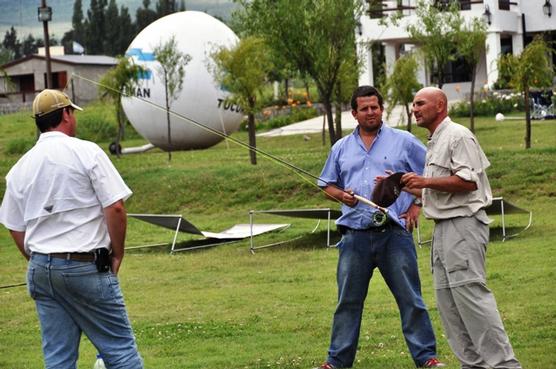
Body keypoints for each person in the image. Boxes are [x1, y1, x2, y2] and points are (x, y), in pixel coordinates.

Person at [0, 89, 143, 369]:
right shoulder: (86, 151)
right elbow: (115, 207)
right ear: (66, 114)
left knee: (58, 360)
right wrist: (117, 254)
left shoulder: (20, 167)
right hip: (85, 265)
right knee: (120, 352)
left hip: (41, 268)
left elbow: (14, 227)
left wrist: (41, 260)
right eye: (72, 112)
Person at [315, 86, 445, 368]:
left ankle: (427, 358)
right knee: (347, 303)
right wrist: (342, 196)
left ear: (381, 109)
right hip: (354, 238)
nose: (370, 112)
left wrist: (417, 205)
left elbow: (431, 174)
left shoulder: (404, 141)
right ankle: (336, 362)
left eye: (375, 107)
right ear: (354, 113)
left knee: (411, 299)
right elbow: (327, 184)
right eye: (364, 108)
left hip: (394, 235)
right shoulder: (340, 148)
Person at [402, 87, 522, 369]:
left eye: (420, 103)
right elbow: (441, 187)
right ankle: (474, 365)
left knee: (472, 299)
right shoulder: (435, 140)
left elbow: (468, 182)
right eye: (413, 104)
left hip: (463, 226)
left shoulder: (458, 135)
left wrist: (424, 182)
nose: (414, 109)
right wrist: (409, 188)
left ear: (440, 105)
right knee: (450, 305)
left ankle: (505, 365)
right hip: (442, 229)